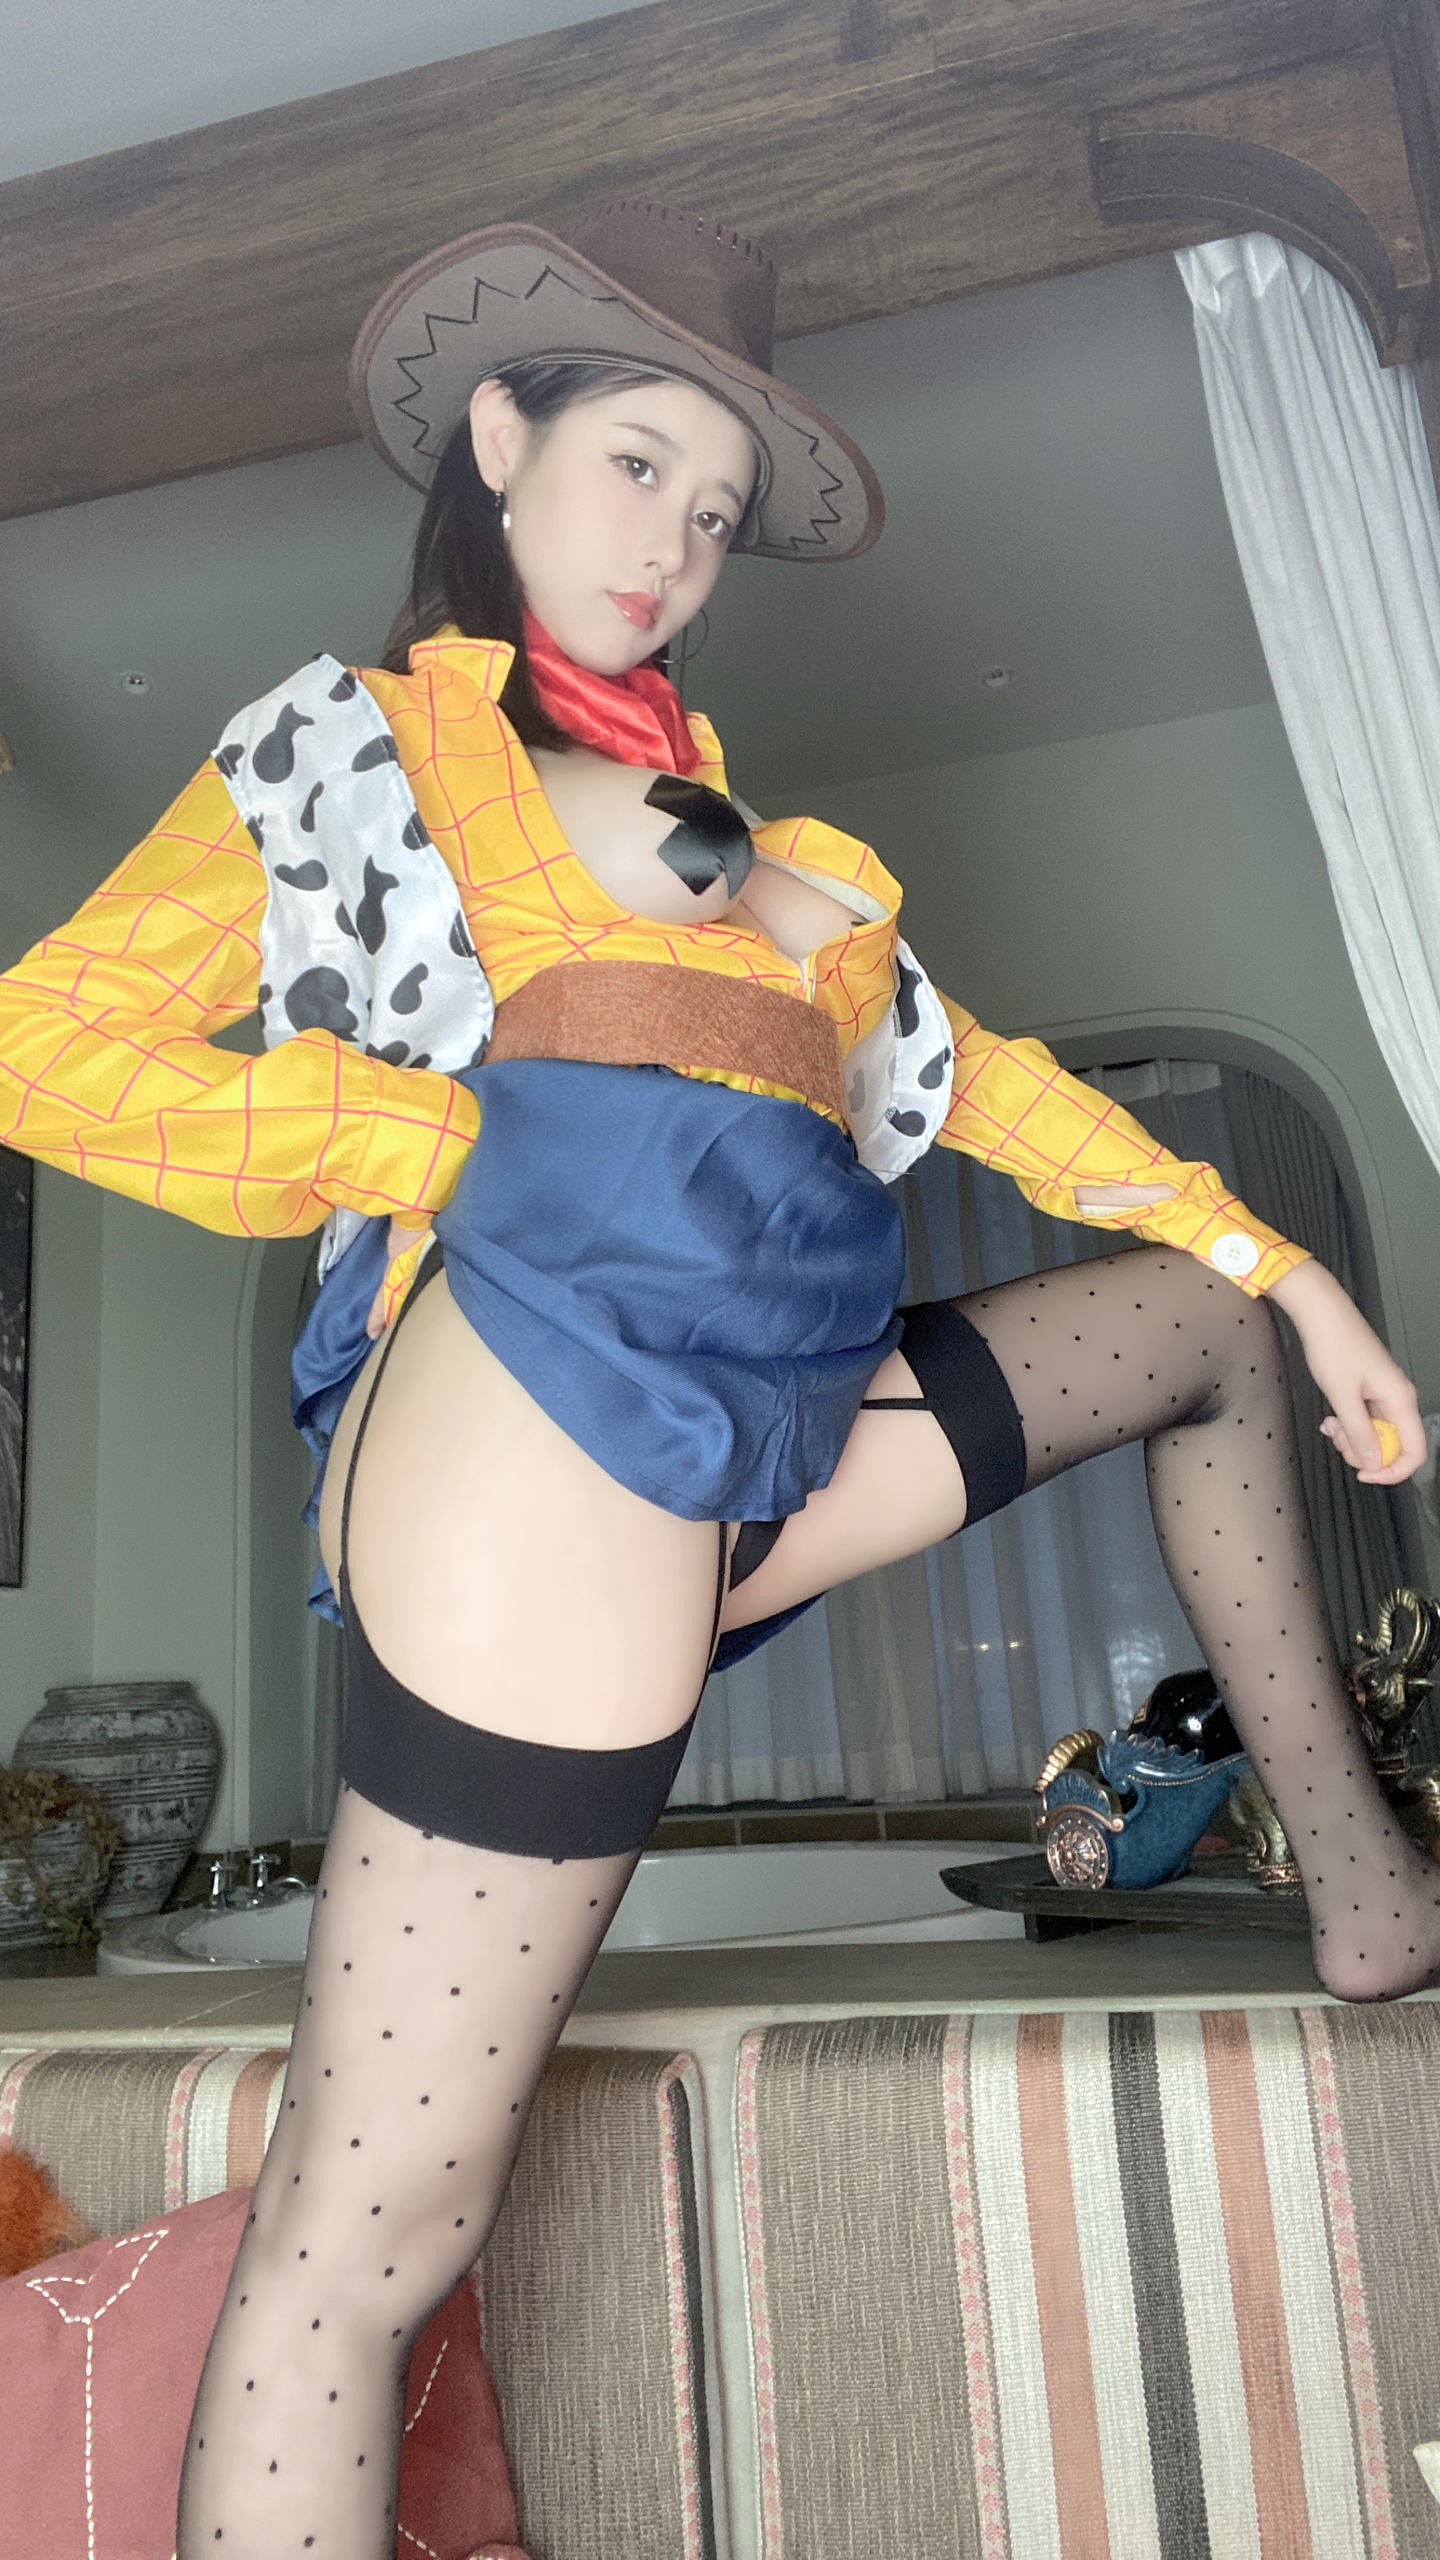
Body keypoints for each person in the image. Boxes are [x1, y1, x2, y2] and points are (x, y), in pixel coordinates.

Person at [0, 201, 1430, 2556]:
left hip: (752, 1442)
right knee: (364, 2238)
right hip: (538, 1432)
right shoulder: (371, 748)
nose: (673, 541)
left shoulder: (783, 864)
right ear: (500, 434)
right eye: (638, 462)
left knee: (1198, 1339)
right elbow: (49, 1041)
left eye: (720, 508)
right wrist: (428, 1139)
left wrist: (1295, 1271)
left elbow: (998, 1088)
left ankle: (1372, 1893)